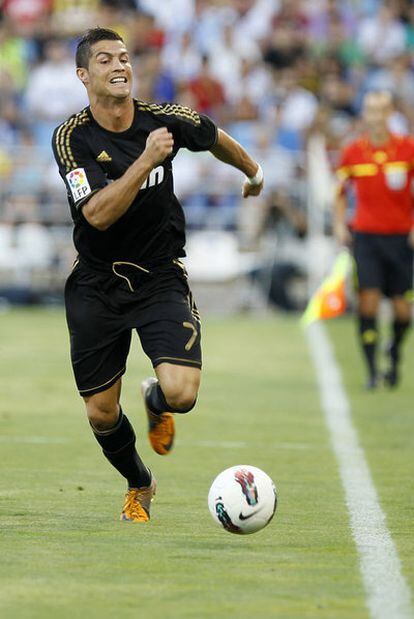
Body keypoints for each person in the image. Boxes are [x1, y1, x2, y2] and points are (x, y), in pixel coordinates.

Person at [51, 28, 264, 522]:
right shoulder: (71, 138)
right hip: (97, 282)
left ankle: (156, 396)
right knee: (101, 413)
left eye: (124, 57)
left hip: (160, 276)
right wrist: (147, 159)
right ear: (84, 75)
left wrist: (253, 173)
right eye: (105, 59)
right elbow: (97, 215)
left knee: (182, 396)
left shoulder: (164, 118)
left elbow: (213, 136)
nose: (120, 65)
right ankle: (139, 481)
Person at [334, 90, 414, 390]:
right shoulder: (353, 152)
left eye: (380, 110)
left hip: (400, 240)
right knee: (367, 303)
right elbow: (339, 193)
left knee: (403, 311)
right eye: (370, 110)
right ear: (365, 114)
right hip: (366, 237)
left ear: (390, 112)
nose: (375, 116)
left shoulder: (407, 149)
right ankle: (371, 370)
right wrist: (341, 224)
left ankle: (393, 352)